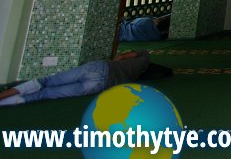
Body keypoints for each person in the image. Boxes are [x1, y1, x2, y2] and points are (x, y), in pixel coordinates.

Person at [0, 51, 155, 106]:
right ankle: (4, 103)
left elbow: (123, 56)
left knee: (44, 82)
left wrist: (117, 59)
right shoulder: (134, 77)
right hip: (99, 85)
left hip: (100, 68)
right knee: (45, 93)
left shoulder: (144, 56)